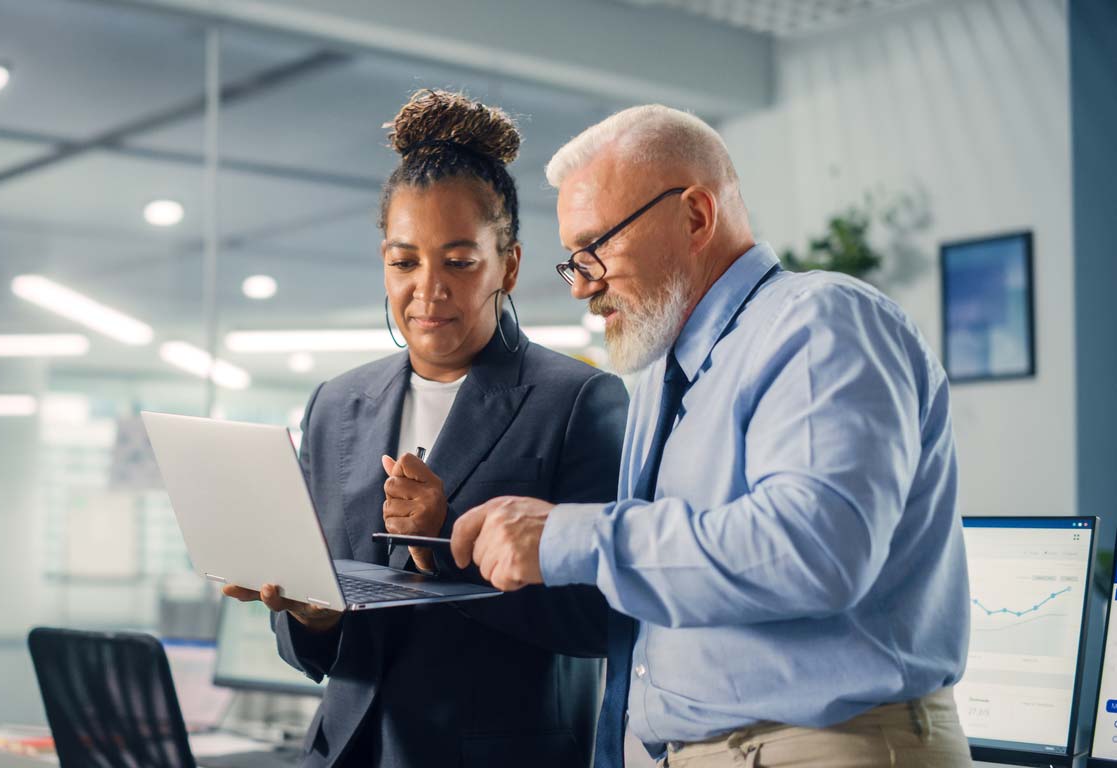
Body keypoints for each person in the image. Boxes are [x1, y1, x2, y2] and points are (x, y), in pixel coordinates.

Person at [450, 104, 973, 767]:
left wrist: (567, 535)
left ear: (695, 216)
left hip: (827, 748)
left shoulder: (818, 324)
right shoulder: (660, 383)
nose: (582, 285)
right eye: (571, 260)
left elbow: (811, 550)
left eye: (595, 247)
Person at [222, 90, 628, 768]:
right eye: (404, 261)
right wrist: (307, 612)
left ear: (510, 265)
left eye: (459, 261)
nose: (427, 289)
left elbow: (602, 619)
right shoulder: (336, 404)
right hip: (345, 752)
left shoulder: (579, 400)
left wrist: (443, 542)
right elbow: (315, 643)